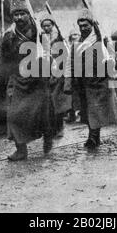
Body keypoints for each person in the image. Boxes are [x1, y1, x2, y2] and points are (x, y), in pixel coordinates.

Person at [0, 0, 53, 161]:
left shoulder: (39, 34)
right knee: (13, 115)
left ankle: (48, 137)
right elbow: (3, 62)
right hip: (18, 81)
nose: (19, 18)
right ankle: (21, 149)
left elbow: (48, 55)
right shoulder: (8, 36)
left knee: (42, 115)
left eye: (22, 14)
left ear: (28, 14)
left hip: (38, 80)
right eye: (16, 15)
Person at [67, 8, 117, 150]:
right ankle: (94, 136)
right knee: (86, 110)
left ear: (92, 25)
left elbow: (112, 59)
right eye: (81, 26)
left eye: (86, 25)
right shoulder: (77, 42)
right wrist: (70, 80)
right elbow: (71, 61)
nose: (83, 28)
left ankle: (93, 136)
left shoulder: (102, 39)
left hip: (98, 81)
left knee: (95, 109)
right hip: (83, 82)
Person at [40, 11, 72, 139]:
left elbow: (64, 57)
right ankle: (51, 128)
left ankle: (59, 127)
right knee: (48, 104)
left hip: (58, 73)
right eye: (44, 26)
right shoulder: (41, 38)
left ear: (53, 25)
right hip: (46, 73)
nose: (47, 28)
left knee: (57, 103)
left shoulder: (59, 39)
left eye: (49, 25)